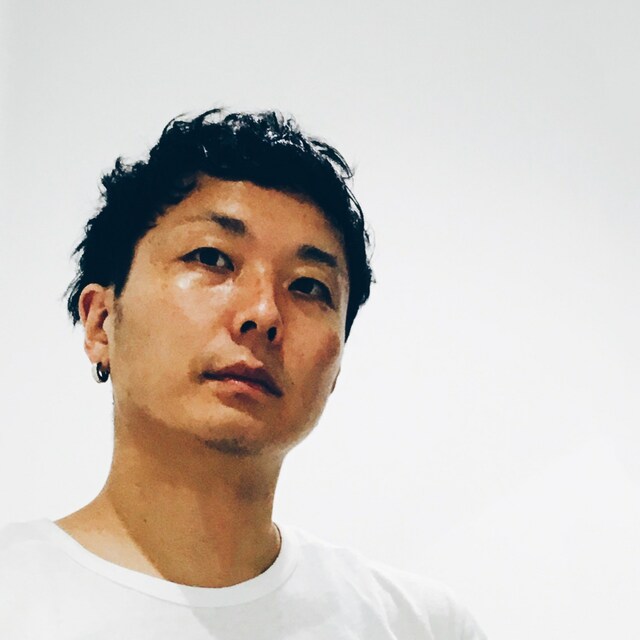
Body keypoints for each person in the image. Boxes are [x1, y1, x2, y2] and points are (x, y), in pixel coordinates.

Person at [0, 108, 486, 639]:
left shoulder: (419, 626)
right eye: (212, 257)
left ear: (337, 367)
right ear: (100, 322)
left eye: (308, 286)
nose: (264, 313)